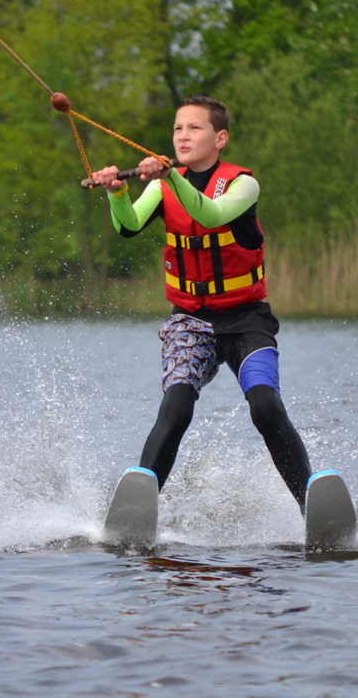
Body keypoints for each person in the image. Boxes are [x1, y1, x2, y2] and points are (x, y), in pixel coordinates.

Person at [89, 94, 313, 510]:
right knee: (176, 406)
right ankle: (138, 508)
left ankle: (309, 504)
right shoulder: (162, 186)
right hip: (190, 320)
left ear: (220, 138)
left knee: (265, 406)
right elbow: (129, 226)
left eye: (195, 127)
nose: (183, 135)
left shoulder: (243, 184)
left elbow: (210, 215)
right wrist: (117, 193)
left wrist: (171, 178)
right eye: (178, 128)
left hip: (247, 320)